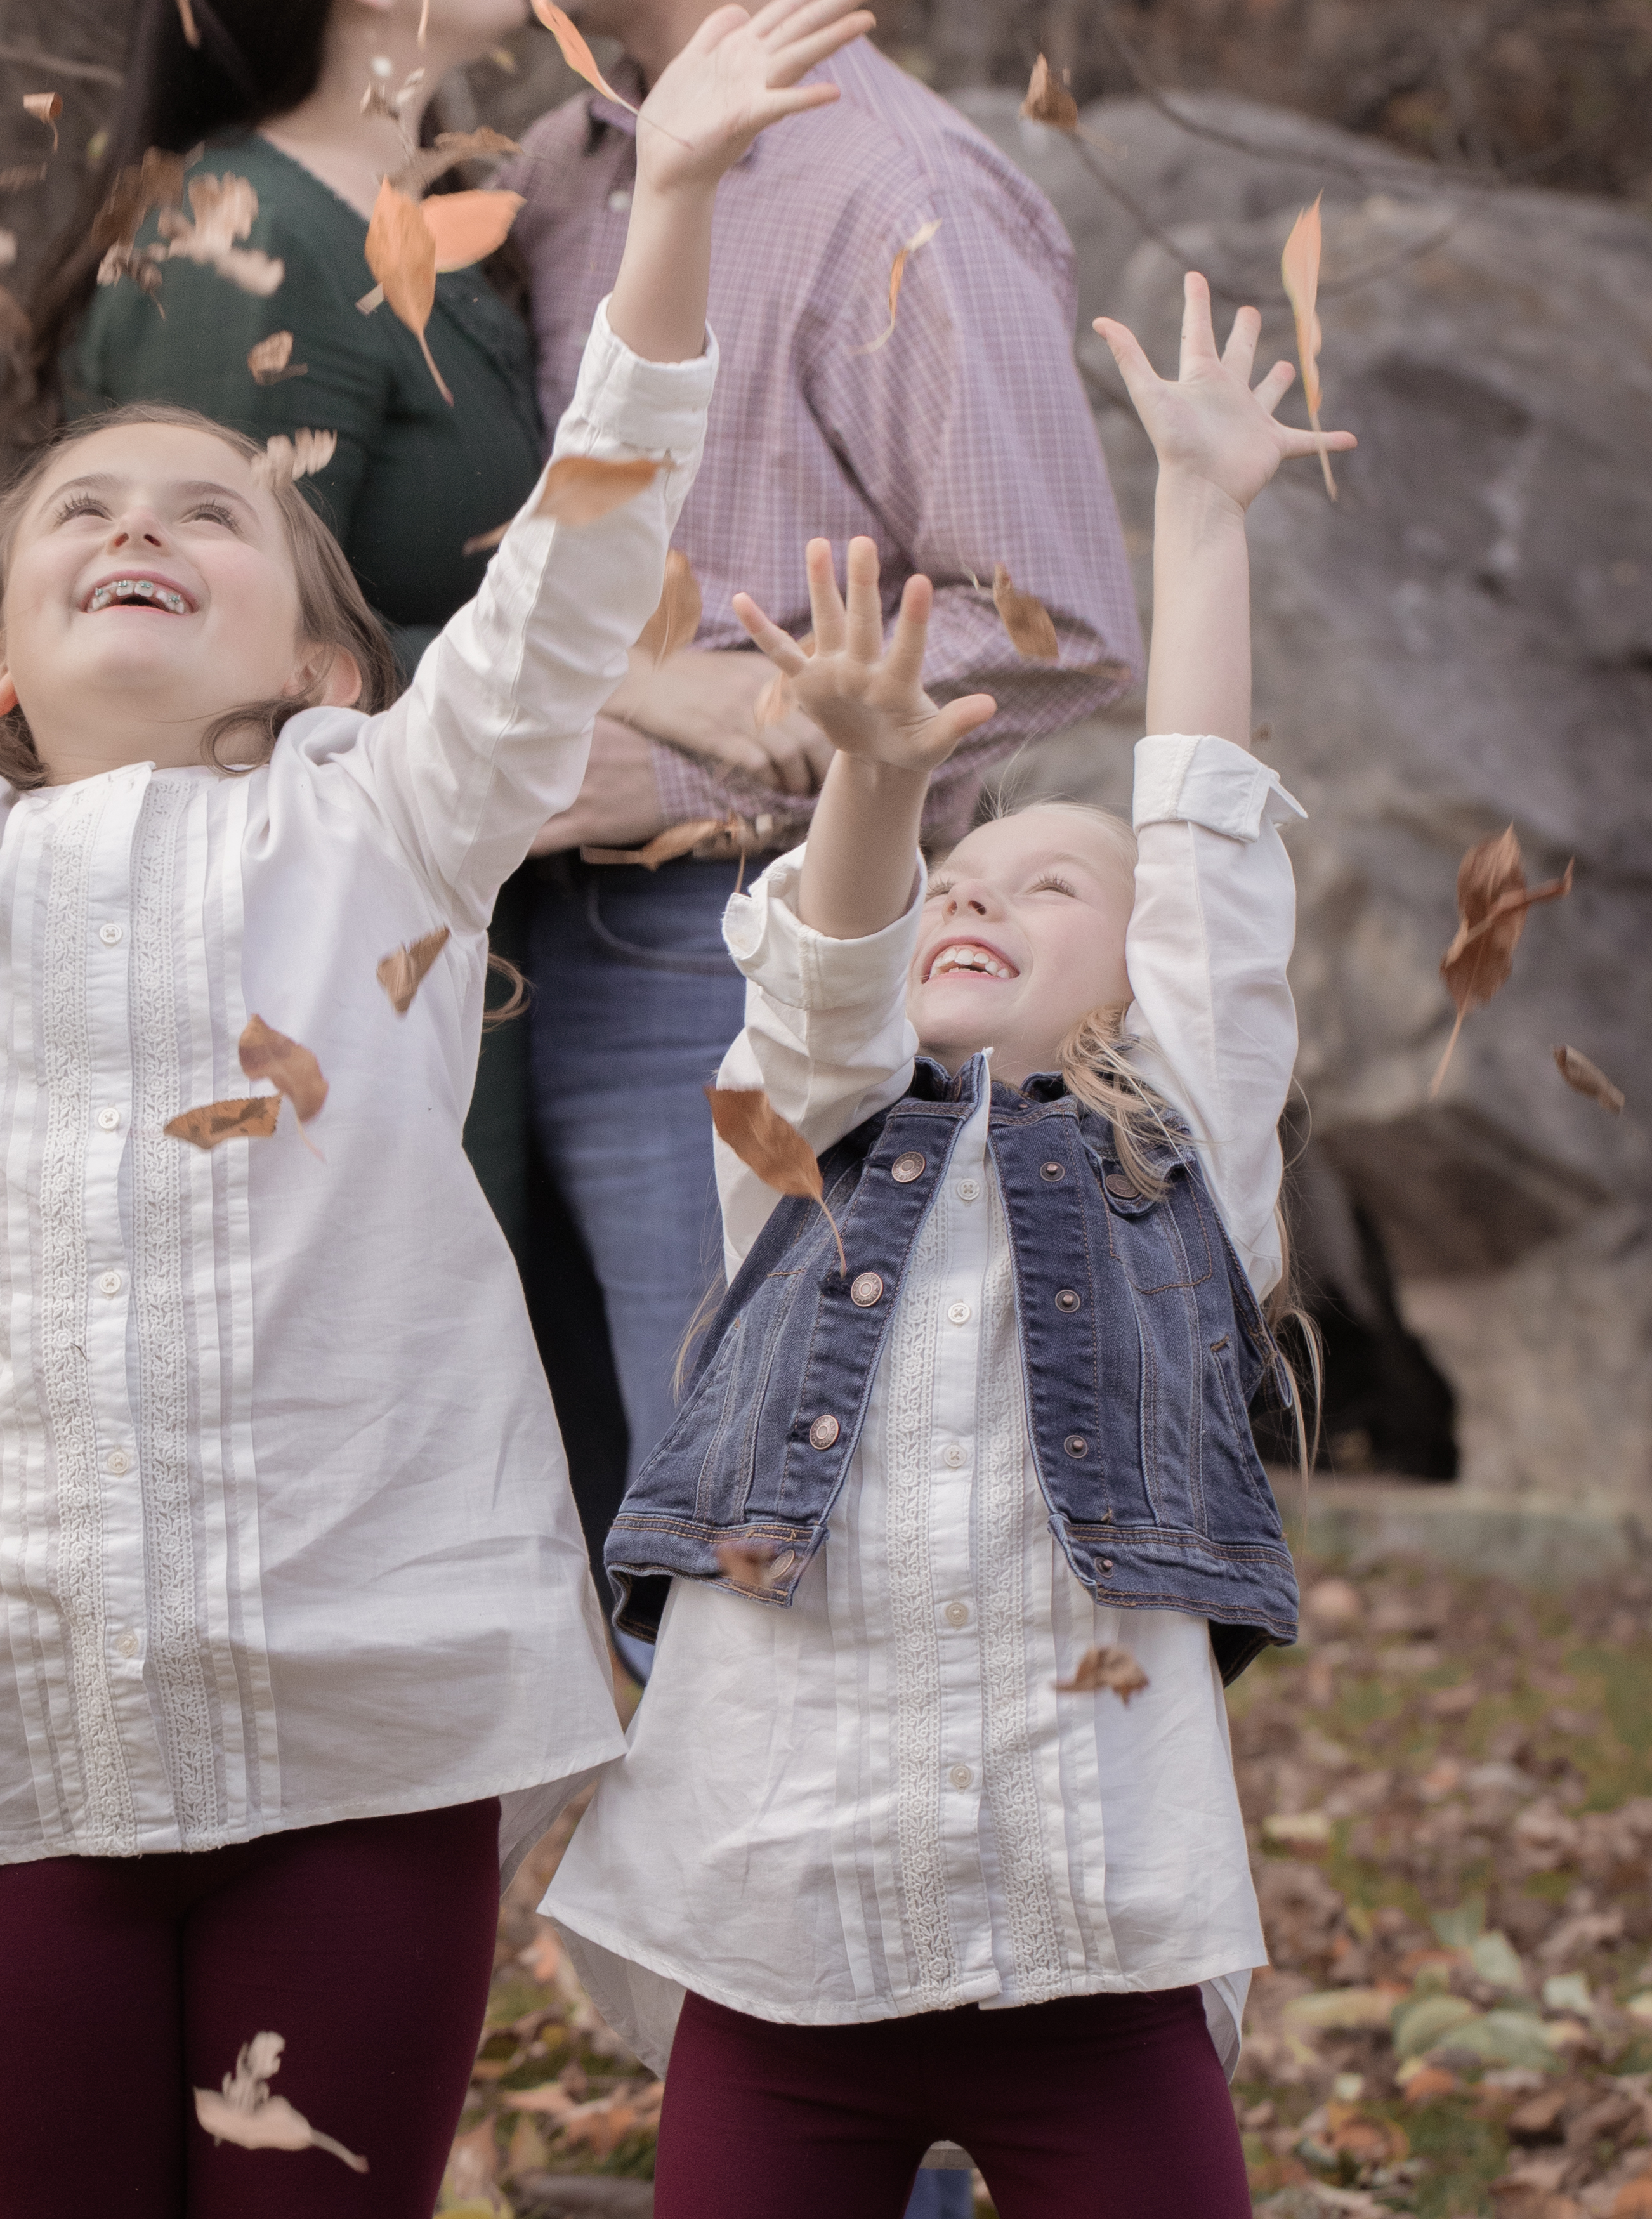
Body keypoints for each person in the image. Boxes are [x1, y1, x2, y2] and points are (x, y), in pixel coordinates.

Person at [0, 0, 888, 2219]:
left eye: (211, 510)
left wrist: (685, 194)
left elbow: (580, 555)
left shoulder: (390, 817)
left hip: (361, 1687)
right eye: (85, 507)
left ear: (326, 653)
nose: (142, 520)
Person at [542, 269, 1354, 2219]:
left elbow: (1211, 845)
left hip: (1094, 1930)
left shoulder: (1182, 1149)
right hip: (781, 1928)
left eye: (1046, 880)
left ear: (1133, 959)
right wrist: (879, 776)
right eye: (953, 887)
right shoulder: (801, 1140)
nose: (976, 899)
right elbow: (828, 973)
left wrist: (1202, 505)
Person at [469, 0, 1142, 1597]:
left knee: (739, 1538)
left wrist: (725, 729)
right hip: (503, 948)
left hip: (743, 952)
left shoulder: (893, 184)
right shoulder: (554, 174)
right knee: (554, 1553)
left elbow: (1045, 617)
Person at [39, 0, 545, 1247]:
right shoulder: (240, 246)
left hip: (428, 951)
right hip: (295, 1007)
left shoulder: (427, 228)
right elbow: (192, 676)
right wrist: (642, 710)